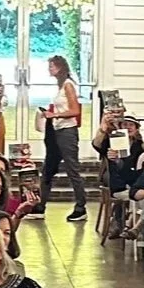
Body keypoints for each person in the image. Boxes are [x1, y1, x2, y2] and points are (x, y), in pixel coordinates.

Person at [36, 53, 88, 222]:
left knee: (72, 168)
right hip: (57, 131)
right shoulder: (60, 87)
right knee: (48, 168)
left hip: (67, 131)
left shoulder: (68, 85)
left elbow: (75, 111)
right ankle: (40, 205)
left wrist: (54, 115)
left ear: (59, 67)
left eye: (51, 66)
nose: (49, 69)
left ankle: (81, 206)